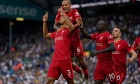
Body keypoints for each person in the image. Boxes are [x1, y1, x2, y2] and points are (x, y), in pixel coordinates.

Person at [54, 0, 88, 81]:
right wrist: (57, 28)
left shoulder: (75, 11)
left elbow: (79, 24)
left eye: (66, 5)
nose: (64, 6)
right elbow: (55, 25)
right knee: (69, 63)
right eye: (63, 5)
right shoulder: (60, 13)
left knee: (81, 62)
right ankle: (79, 72)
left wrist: (70, 27)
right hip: (66, 41)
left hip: (75, 40)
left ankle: (86, 78)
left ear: (70, 5)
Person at [43, 10, 74, 84]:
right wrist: (44, 22)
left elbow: (72, 28)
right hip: (55, 61)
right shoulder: (57, 32)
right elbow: (46, 35)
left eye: (62, 17)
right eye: (60, 16)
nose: (60, 17)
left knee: (70, 82)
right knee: (49, 81)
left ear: (66, 22)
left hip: (65, 60)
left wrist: (65, 15)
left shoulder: (68, 31)